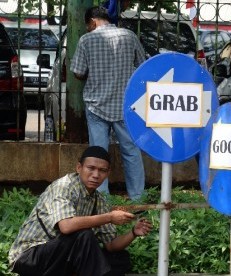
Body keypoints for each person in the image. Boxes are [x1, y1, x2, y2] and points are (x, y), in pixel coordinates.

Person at [8, 146, 154, 276]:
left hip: (61, 256)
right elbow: (66, 227)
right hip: (30, 257)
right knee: (84, 235)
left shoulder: (98, 200)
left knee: (120, 258)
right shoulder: (64, 187)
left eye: (102, 170)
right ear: (79, 168)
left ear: (108, 173)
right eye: (91, 168)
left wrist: (134, 232)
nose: (96, 175)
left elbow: (111, 245)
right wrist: (109, 217)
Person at [71, 6, 146, 200]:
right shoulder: (129, 36)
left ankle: (102, 198)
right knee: (131, 151)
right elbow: (142, 66)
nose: (88, 29)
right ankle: (138, 197)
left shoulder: (86, 40)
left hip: (97, 105)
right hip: (125, 106)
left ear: (93, 21)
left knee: (98, 153)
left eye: (88, 26)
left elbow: (78, 72)